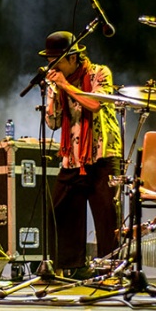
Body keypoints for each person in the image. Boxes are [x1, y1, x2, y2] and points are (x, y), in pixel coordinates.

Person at [39, 31, 122, 278]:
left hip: (102, 155)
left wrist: (65, 85)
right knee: (60, 212)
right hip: (72, 157)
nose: (52, 66)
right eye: (49, 61)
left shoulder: (99, 73)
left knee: (107, 217)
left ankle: (110, 270)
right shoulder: (58, 83)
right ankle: (70, 267)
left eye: (57, 61)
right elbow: (53, 123)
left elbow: (96, 104)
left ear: (73, 58)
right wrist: (53, 92)